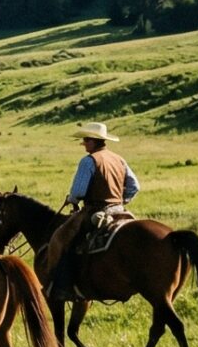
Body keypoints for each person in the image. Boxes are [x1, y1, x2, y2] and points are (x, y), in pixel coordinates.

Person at [48, 122, 139, 289]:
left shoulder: (88, 161)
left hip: (96, 210)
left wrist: (72, 199)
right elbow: (134, 186)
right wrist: (121, 200)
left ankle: (63, 285)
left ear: (93, 141)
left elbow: (78, 191)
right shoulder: (119, 159)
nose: (83, 144)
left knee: (65, 239)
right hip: (119, 210)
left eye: (86, 140)